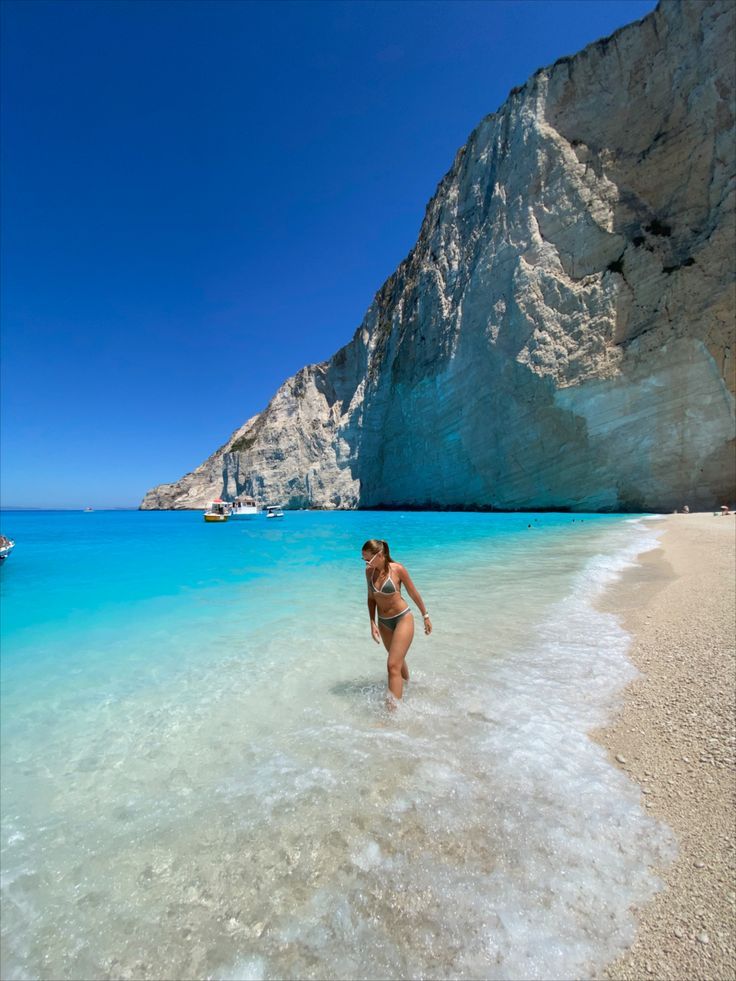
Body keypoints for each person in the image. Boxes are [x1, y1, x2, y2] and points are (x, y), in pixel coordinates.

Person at [362, 538, 431, 701]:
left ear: (379, 555)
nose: (365, 562)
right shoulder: (369, 572)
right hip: (384, 622)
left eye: (368, 558)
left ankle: (392, 713)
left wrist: (425, 616)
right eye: (363, 559)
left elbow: (413, 593)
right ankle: (408, 686)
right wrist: (372, 622)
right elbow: (371, 598)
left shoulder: (398, 569)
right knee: (397, 663)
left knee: (392, 665)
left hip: (402, 619)